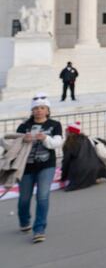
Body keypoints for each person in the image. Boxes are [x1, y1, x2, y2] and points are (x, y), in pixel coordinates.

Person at [16, 93, 63, 244]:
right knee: (24, 198)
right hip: (26, 166)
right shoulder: (24, 126)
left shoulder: (55, 125)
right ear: (32, 111)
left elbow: (57, 142)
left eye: (42, 108)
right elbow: (13, 144)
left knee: (42, 196)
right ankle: (24, 221)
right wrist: (23, 139)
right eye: (36, 108)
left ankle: (39, 229)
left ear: (48, 110)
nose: (39, 111)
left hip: (46, 165)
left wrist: (45, 139)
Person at [61, 122, 106, 191]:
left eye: (66, 131)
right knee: (94, 164)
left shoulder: (68, 144)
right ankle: (96, 177)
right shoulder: (87, 139)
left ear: (69, 132)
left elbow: (66, 161)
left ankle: (90, 179)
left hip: (80, 170)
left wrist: (63, 176)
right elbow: (103, 142)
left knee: (76, 169)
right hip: (96, 167)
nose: (65, 133)